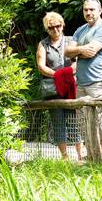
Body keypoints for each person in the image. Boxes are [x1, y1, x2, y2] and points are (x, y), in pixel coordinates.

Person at [65, 0, 102, 160]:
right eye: (86, 10)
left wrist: (76, 50)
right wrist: (81, 49)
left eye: (92, 9)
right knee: (83, 121)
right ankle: (90, 155)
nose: (88, 12)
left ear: (99, 11)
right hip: (81, 82)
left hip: (98, 81)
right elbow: (67, 52)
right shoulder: (80, 30)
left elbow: (92, 51)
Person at [36, 11, 83, 161]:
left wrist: (65, 74)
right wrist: (58, 76)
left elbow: (79, 62)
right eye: (51, 27)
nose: (55, 30)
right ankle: (65, 157)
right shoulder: (43, 44)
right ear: (47, 29)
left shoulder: (71, 41)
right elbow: (41, 66)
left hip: (71, 87)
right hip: (53, 89)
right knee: (58, 123)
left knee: (75, 121)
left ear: (63, 25)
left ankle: (81, 156)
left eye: (58, 26)